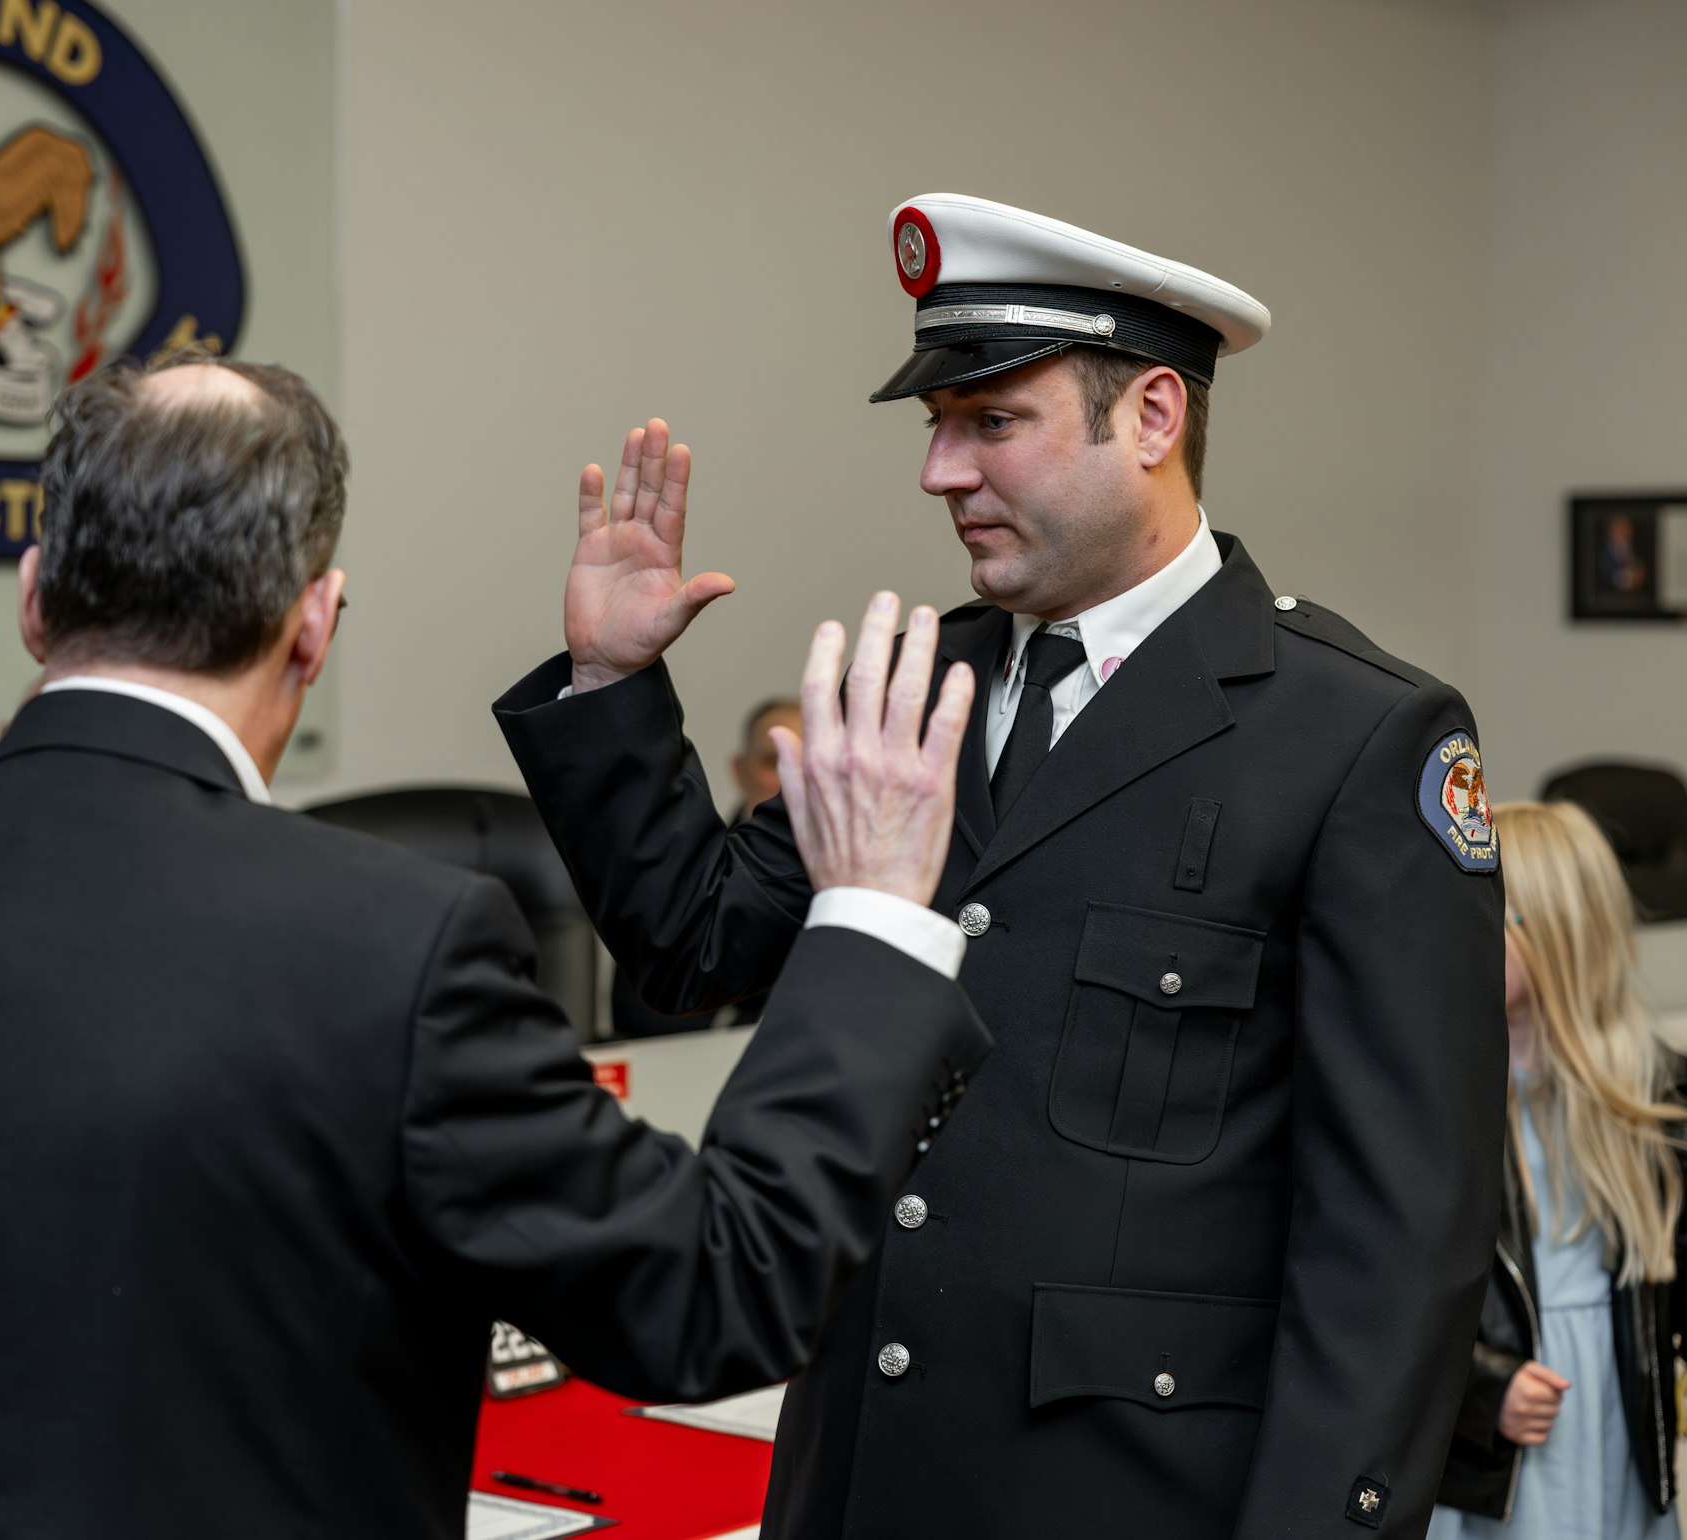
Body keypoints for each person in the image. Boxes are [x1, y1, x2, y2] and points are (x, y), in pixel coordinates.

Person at [0, 353, 994, 1539]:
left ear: (36, 601)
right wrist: (872, 914)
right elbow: (714, 1295)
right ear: (316, 619)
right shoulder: (399, 947)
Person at [494, 194, 1510, 1537]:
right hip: (863, 1475)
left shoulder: (1354, 735)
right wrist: (616, 685)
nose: (940, 472)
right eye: (935, 427)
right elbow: (695, 946)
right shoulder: (920, 684)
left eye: (992, 423)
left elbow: (1397, 1246)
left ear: (1151, 417)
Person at [1430, 800, 1684, 1539]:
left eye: (1492, 912)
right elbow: (1390, 1301)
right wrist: (1484, 1391)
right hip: (1496, 1455)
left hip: (1614, 1425)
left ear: (1560, 934)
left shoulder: (1653, 1098)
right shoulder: (1439, 1100)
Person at [608, 695, 800, 1037]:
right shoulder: (683, 876)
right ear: (740, 771)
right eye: (775, 761)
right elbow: (644, 1017)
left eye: (808, 761)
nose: (792, 779)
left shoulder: (870, 888)